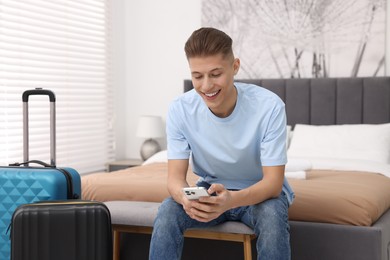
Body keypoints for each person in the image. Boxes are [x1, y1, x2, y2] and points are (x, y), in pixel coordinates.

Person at [149, 27, 294, 260]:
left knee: (272, 216)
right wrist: (184, 197)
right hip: (211, 192)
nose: (206, 86)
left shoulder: (269, 107)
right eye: (197, 76)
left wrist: (231, 201)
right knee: (168, 210)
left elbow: (274, 184)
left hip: (259, 194)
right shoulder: (180, 109)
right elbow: (175, 179)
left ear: (235, 66)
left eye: (215, 74)